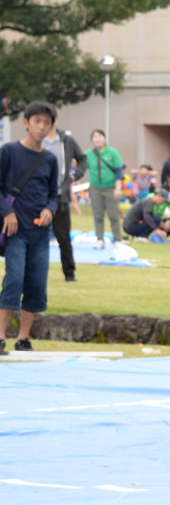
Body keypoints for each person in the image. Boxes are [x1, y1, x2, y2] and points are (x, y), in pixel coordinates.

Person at [0, 102, 59, 353]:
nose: (42, 127)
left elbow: (54, 194)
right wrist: (7, 212)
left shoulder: (50, 159)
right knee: (14, 279)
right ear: (25, 123)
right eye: (37, 121)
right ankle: (1, 336)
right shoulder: (9, 151)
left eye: (47, 123)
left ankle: (23, 338)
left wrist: (49, 210)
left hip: (41, 232)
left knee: (36, 283)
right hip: (15, 230)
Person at [42, 109, 86, 282]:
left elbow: (82, 158)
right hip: (39, 195)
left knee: (63, 237)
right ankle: (35, 273)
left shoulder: (66, 140)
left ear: (56, 120)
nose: (45, 123)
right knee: (36, 238)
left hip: (60, 194)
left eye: (49, 119)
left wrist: (76, 174)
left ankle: (69, 273)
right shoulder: (37, 139)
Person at [86, 128, 123, 249]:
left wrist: (118, 187)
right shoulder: (88, 154)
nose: (97, 139)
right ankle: (99, 239)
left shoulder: (113, 152)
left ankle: (117, 239)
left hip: (110, 188)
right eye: (95, 137)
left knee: (113, 215)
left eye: (99, 136)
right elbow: (79, 166)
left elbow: (119, 171)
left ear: (104, 138)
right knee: (98, 215)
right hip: (95, 188)